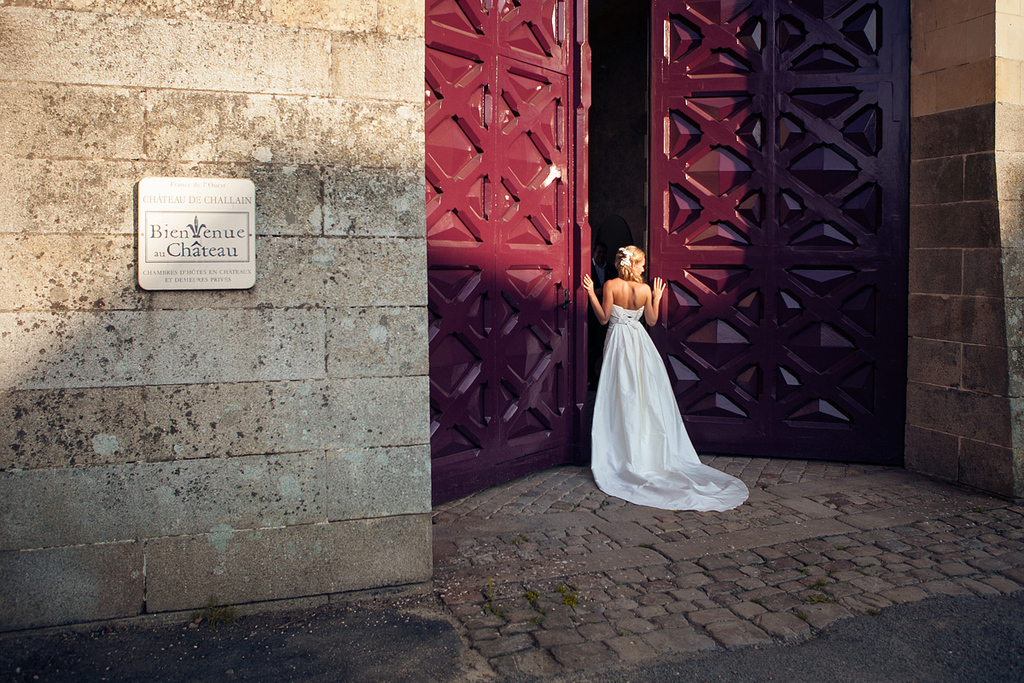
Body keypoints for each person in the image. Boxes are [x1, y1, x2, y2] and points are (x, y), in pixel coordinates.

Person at [582, 246, 748, 511]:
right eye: (642, 264)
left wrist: (591, 293)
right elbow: (651, 320)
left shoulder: (612, 284)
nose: (644, 268)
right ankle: (643, 446)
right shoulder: (646, 290)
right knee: (643, 392)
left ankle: (622, 447)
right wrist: (657, 297)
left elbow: (603, 319)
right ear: (632, 264)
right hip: (640, 343)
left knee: (620, 392)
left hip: (618, 344)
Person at [588, 242, 617, 389]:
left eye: (603, 253)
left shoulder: (611, 269)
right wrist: (593, 292)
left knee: (600, 346)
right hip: (589, 313)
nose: (601, 255)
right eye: (598, 252)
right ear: (593, 252)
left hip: (606, 312)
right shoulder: (587, 267)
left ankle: (596, 377)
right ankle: (590, 378)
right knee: (588, 345)